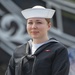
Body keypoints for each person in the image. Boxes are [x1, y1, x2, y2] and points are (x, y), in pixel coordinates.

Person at [5, 5, 70, 75]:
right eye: (30, 23)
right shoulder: (19, 51)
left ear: (48, 26)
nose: (34, 27)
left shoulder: (58, 50)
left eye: (39, 22)